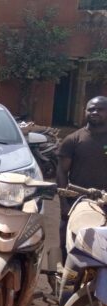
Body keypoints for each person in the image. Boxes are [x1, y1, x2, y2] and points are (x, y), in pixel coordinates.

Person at [56, 96, 107, 261]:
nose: (95, 112)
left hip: (104, 200)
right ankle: (65, 276)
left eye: (100, 109)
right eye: (91, 109)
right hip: (77, 200)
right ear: (85, 112)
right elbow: (62, 172)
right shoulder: (73, 139)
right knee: (68, 237)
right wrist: (64, 204)